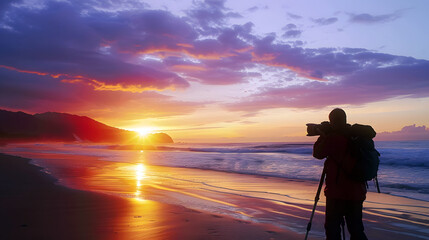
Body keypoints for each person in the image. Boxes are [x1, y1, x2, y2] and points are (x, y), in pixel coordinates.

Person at [313, 108, 369, 240]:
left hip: (336, 193)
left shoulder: (333, 139)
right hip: (356, 192)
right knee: (356, 230)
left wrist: (323, 134)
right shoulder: (356, 136)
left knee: (332, 231)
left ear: (332, 121)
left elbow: (317, 153)